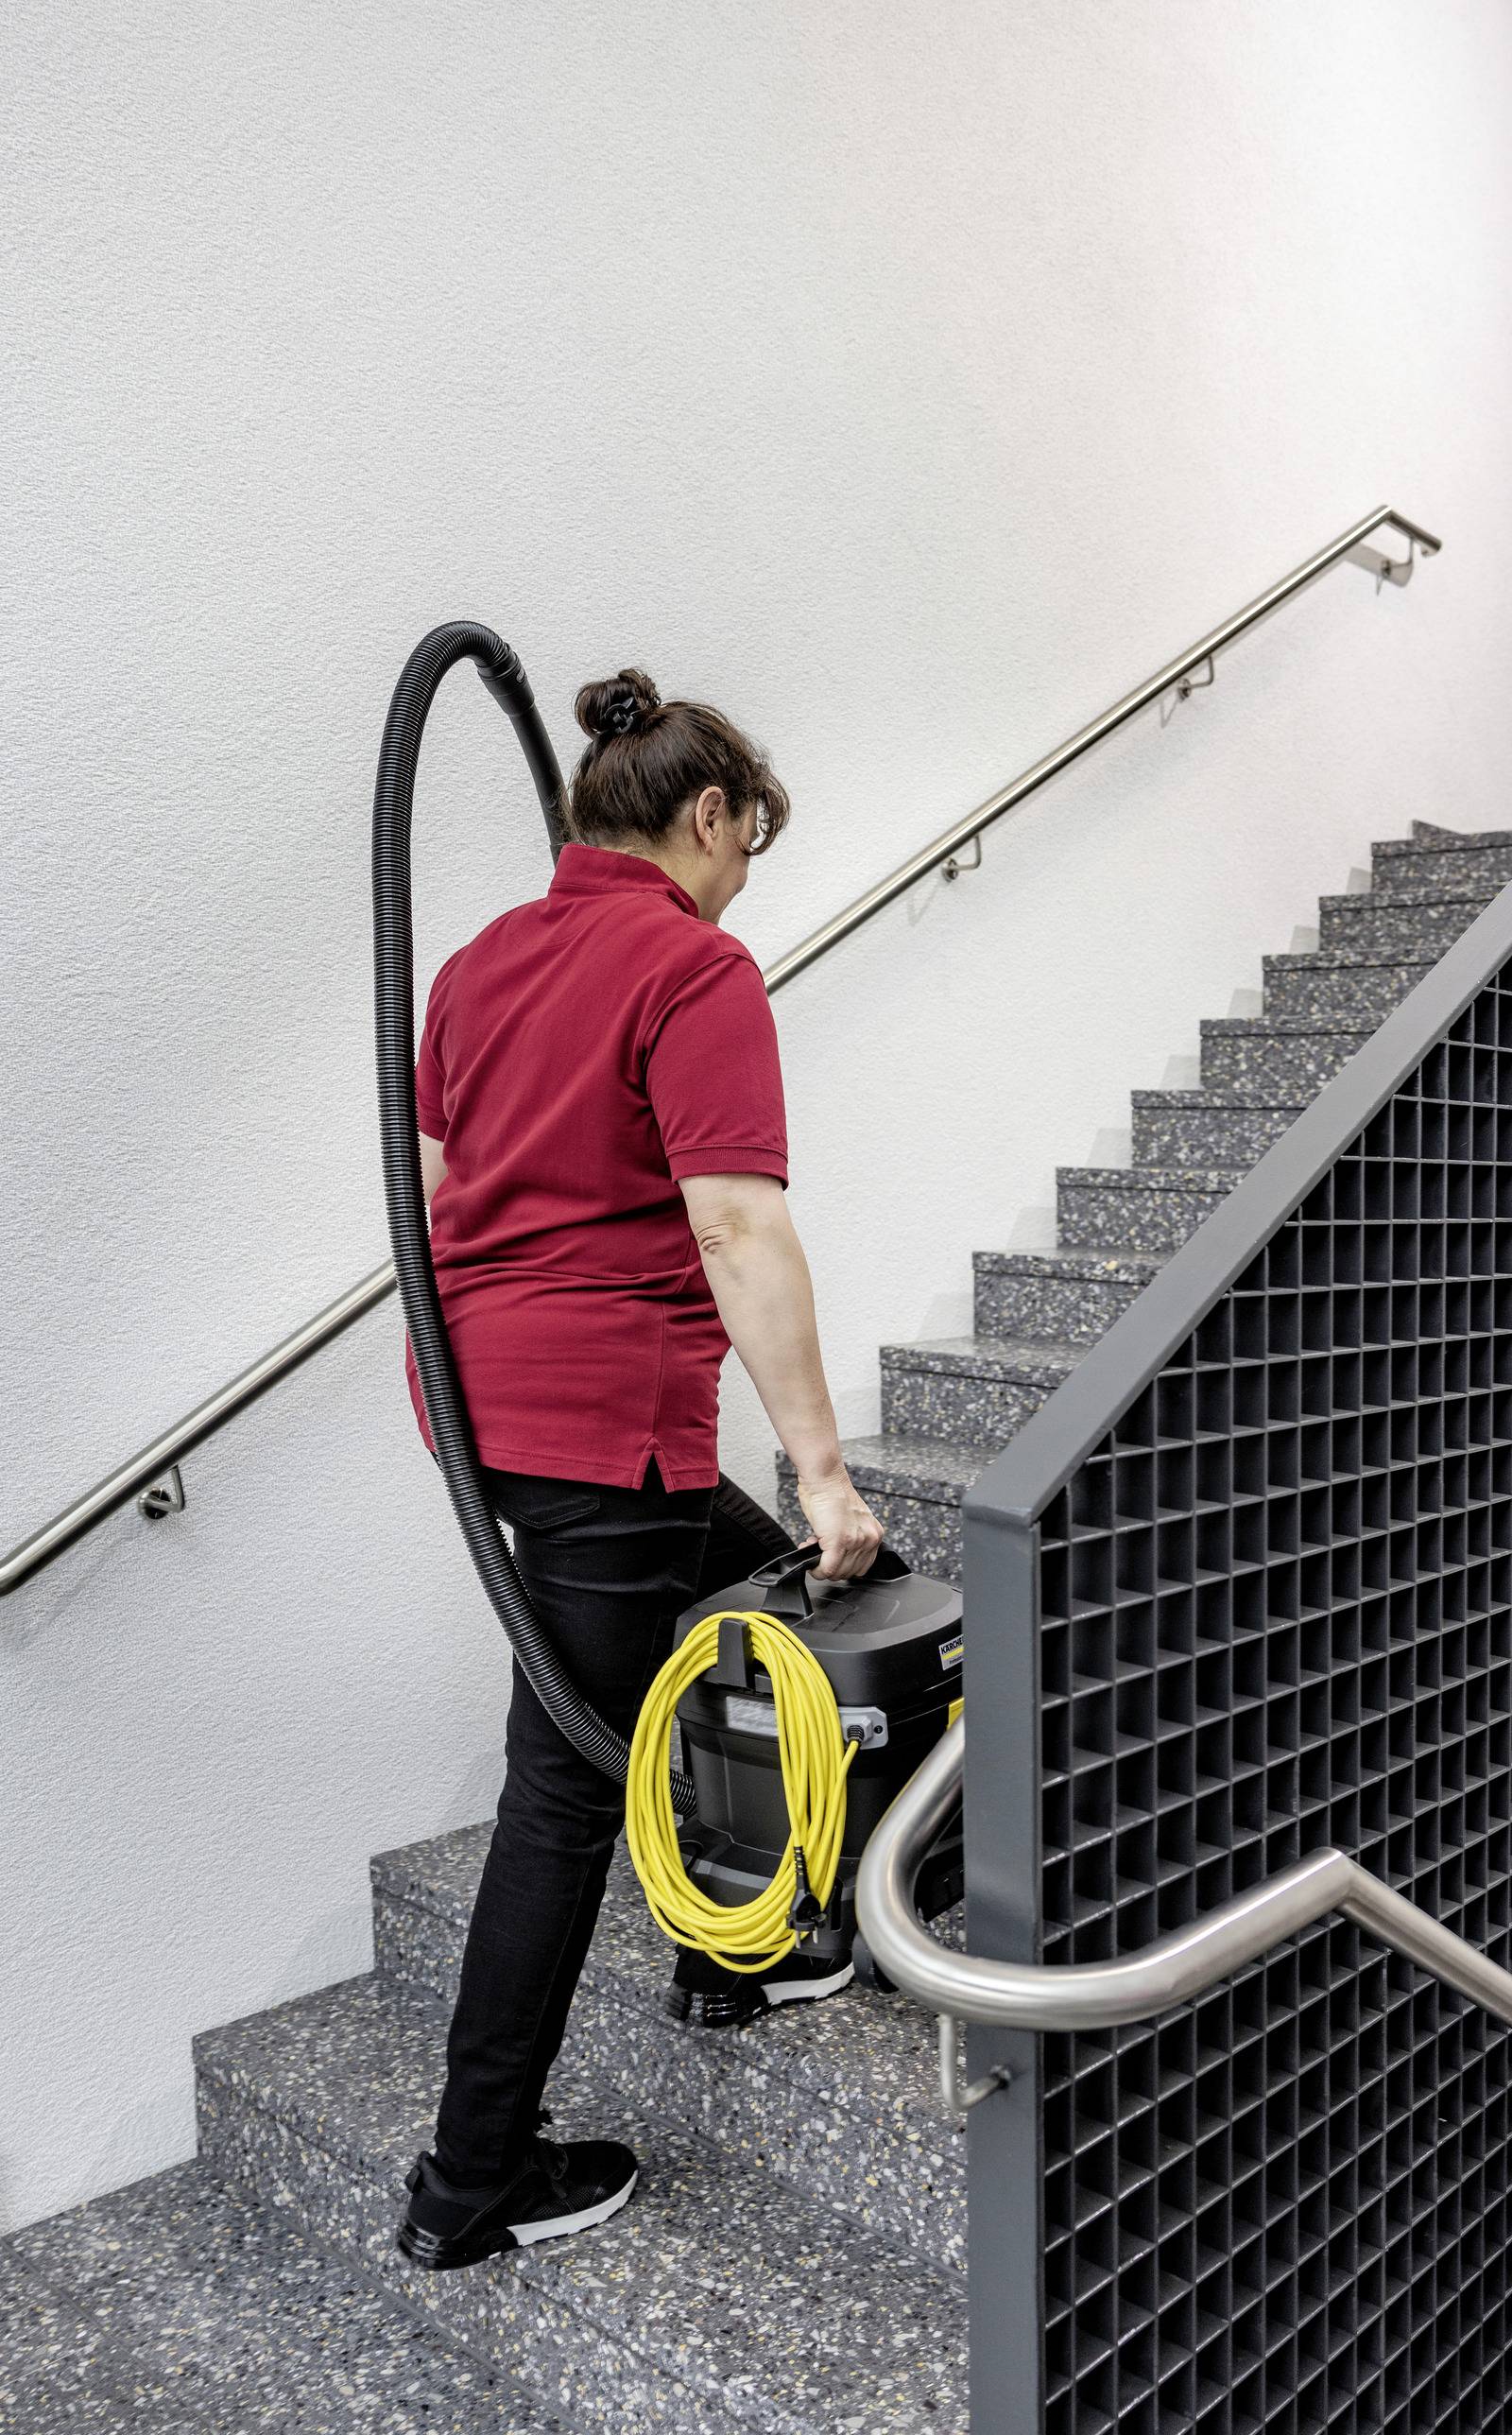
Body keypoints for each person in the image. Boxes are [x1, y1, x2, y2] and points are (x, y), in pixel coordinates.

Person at [395, 666, 883, 2272]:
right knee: (563, 1787)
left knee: (748, 1603)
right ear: (708, 816)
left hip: (485, 1412)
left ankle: (731, 1951)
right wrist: (824, 1470)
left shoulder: (479, 964)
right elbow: (735, 1223)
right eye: (748, 848)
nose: (743, 883)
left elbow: (444, 1193)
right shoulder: (691, 965)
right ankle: (472, 2181)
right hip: (603, 1426)